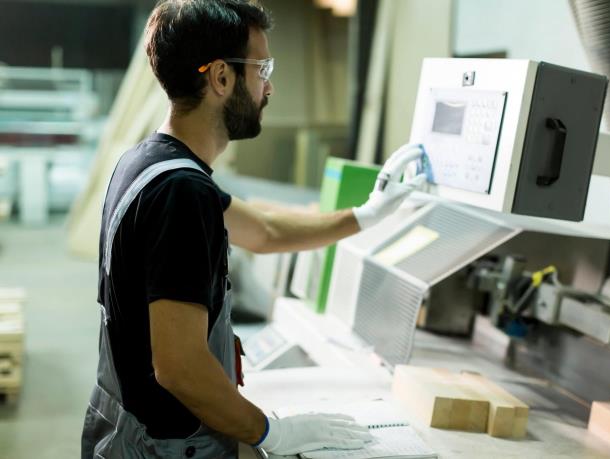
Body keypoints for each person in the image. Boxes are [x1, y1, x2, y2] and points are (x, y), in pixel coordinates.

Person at [81, 1, 425, 457]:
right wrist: (272, 433)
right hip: (162, 447)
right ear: (221, 78)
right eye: (262, 69)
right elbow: (180, 367)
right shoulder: (181, 191)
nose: (270, 86)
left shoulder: (150, 161)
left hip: (126, 427)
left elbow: (263, 231)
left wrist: (368, 215)